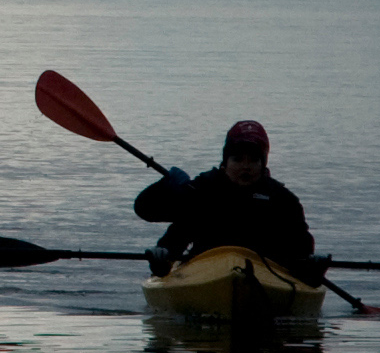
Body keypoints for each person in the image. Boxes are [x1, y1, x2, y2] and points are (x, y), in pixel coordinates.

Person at [135, 118, 320, 276]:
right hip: (204, 269)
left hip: (266, 271)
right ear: (225, 162)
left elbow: (300, 246)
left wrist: (311, 265)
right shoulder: (202, 189)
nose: (245, 167)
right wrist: (164, 186)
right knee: (171, 246)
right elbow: (145, 210)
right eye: (237, 159)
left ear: (263, 164)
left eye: (254, 160)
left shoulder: (282, 199)